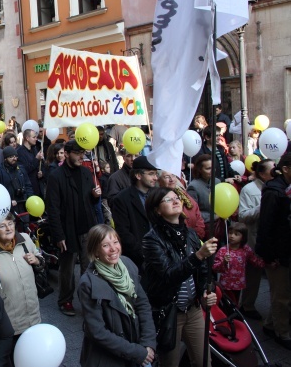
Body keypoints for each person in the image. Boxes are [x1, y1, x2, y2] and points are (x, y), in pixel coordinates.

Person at [142, 187, 218, 367]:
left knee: (204, 361)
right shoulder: (151, 240)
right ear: (157, 210)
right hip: (169, 312)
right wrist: (198, 255)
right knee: (170, 363)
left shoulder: (190, 233)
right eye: (168, 200)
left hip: (193, 309)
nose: (176, 201)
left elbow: (204, 272)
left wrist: (207, 292)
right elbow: (169, 274)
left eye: (177, 198)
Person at [78, 225, 156, 367]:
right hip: (108, 358)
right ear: (96, 251)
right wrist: (136, 352)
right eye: (105, 245)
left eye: (115, 242)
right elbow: (97, 332)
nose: (113, 249)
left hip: (138, 348)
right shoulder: (88, 283)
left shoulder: (128, 264)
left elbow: (143, 305)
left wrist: (148, 343)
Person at [46, 140, 101, 316]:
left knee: (89, 267)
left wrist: (94, 196)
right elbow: (53, 209)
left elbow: (89, 201)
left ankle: (88, 300)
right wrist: (59, 235)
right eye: (77, 153)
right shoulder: (56, 176)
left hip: (88, 228)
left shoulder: (85, 172)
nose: (81, 156)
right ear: (67, 154)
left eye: (83, 153)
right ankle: (65, 300)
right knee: (67, 270)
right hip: (68, 230)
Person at [0, 212, 42, 338]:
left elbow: (40, 259)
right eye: (2, 226)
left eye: (10, 223)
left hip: (33, 316)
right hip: (10, 322)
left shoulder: (25, 239)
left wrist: (37, 260)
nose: (9, 228)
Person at [256, 153, 291, 350]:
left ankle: (271, 325)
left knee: (282, 292)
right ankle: (282, 333)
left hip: (284, 250)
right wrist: (269, 256)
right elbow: (266, 226)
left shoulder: (284, 188)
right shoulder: (274, 192)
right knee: (281, 296)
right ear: (285, 169)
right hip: (277, 254)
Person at [238, 158, 275, 320]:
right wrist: (262, 206)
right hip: (254, 239)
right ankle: (247, 305)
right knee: (253, 276)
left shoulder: (279, 188)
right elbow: (243, 215)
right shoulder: (249, 189)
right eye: (271, 170)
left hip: (272, 240)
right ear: (261, 173)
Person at [212, 222, 265, 304]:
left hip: (238, 285)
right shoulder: (223, 250)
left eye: (236, 234)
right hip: (226, 284)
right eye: (230, 233)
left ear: (243, 237)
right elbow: (215, 268)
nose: (232, 236)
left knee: (235, 303)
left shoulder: (246, 249)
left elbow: (255, 261)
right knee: (225, 304)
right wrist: (224, 262)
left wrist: (267, 264)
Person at [158, 170, 205, 239]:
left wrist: (194, 237)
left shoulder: (183, 194)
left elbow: (197, 214)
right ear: (159, 181)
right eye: (167, 177)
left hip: (194, 239)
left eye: (173, 175)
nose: (171, 179)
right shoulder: (158, 198)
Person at [187, 154, 223, 239]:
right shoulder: (193, 187)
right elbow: (193, 213)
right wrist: (214, 217)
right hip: (206, 228)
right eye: (208, 169)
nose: (212, 171)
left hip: (221, 225)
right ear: (200, 170)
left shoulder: (217, 182)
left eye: (212, 168)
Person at [0, 146, 33, 217]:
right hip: (8, 207)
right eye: (11, 157)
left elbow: (28, 185)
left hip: (23, 204)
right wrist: (8, 202)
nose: (14, 158)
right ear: (5, 158)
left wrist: (30, 198)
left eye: (15, 156)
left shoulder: (21, 168)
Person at [16, 129, 44, 198]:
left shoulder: (34, 149)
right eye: (34, 137)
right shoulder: (20, 152)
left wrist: (41, 172)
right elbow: (25, 169)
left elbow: (40, 165)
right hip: (29, 187)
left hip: (38, 185)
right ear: (27, 138)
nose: (36, 139)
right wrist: (36, 159)